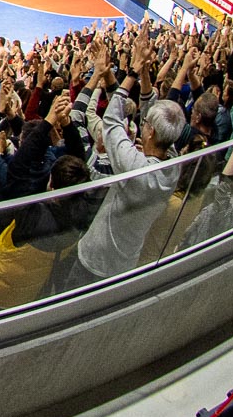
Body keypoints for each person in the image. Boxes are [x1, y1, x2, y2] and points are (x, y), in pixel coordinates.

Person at [76, 84, 186, 280]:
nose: (142, 124)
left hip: (96, 260)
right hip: (127, 260)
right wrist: (144, 76)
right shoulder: (174, 167)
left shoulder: (135, 167)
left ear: (151, 132)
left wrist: (131, 76)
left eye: (145, 123)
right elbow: (156, 119)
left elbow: (111, 123)